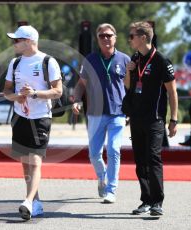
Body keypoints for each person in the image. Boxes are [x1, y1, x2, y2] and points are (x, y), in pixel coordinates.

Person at [3, 25, 62, 220]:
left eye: (17, 40)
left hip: (40, 117)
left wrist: (35, 94)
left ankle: (27, 200)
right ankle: (35, 203)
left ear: (29, 41)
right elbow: (7, 91)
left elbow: (58, 91)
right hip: (20, 117)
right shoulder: (15, 63)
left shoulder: (48, 61)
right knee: (25, 163)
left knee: (35, 161)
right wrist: (16, 97)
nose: (14, 43)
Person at [72, 23, 130, 203]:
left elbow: (131, 86)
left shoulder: (125, 60)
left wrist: (132, 109)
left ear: (115, 37)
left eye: (109, 35)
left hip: (118, 113)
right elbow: (81, 84)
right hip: (95, 114)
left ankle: (111, 190)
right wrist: (76, 100)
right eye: (102, 36)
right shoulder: (90, 59)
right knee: (94, 154)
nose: (106, 38)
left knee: (113, 149)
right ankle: (102, 176)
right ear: (97, 39)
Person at [125, 21, 178, 216]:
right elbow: (128, 87)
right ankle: (145, 200)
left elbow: (172, 92)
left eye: (132, 36)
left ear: (143, 37)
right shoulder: (135, 58)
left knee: (153, 158)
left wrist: (173, 119)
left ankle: (157, 202)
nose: (129, 39)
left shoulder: (162, 60)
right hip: (136, 118)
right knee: (140, 161)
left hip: (155, 119)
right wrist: (129, 71)